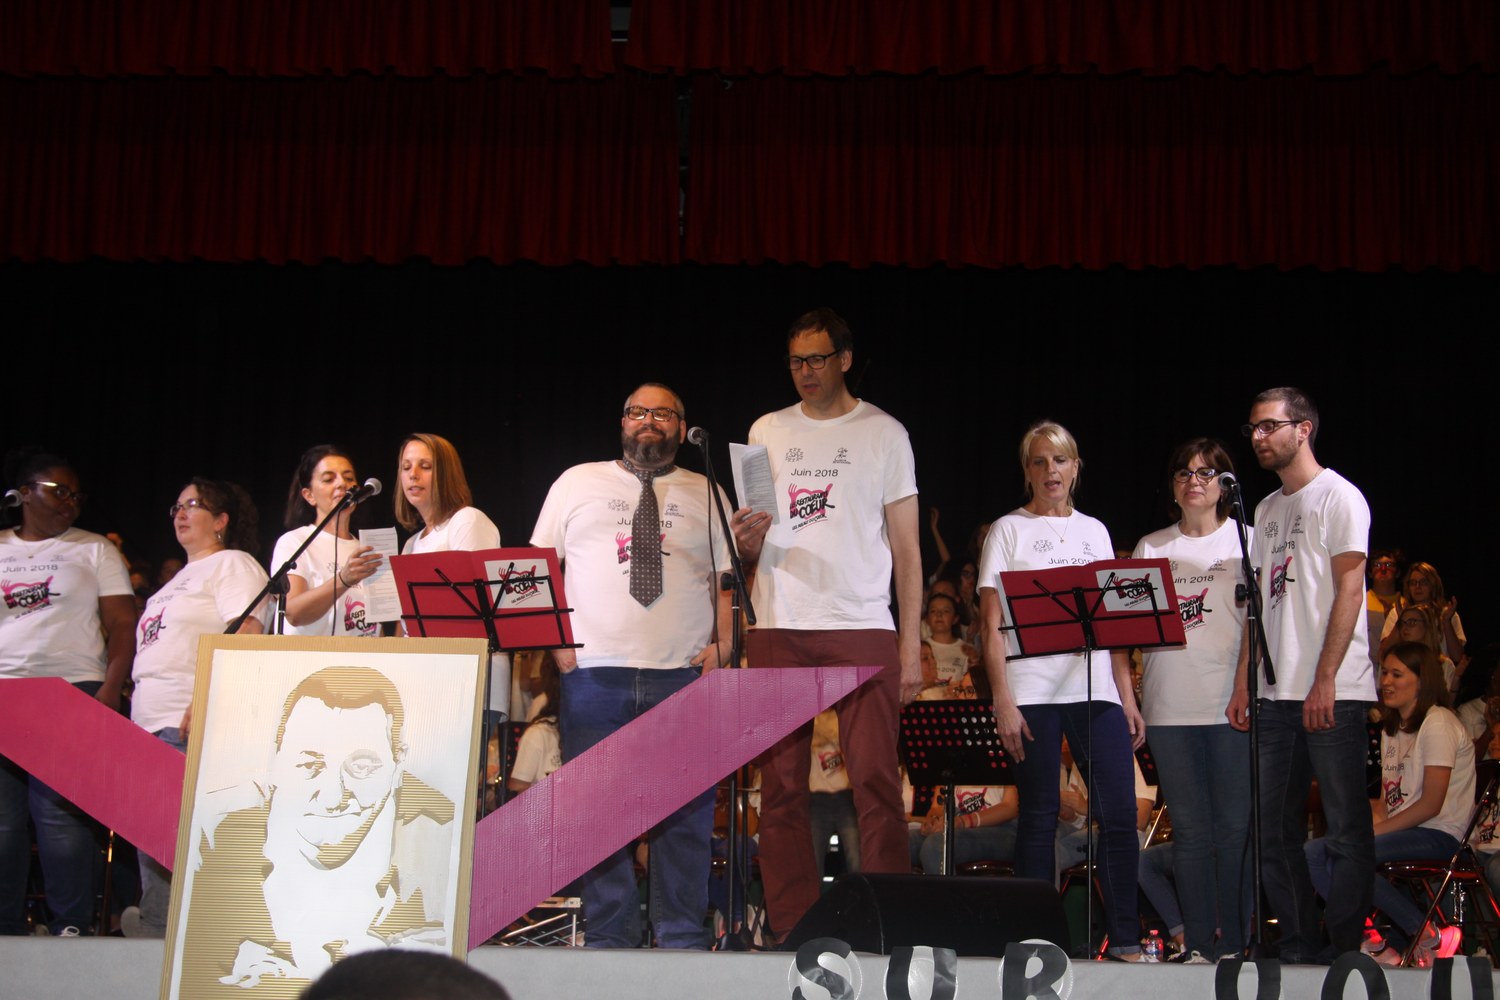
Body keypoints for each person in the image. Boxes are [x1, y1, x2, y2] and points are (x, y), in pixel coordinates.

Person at [730, 308, 922, 940]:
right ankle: (793, 928)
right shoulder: (766, 429)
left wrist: (911, 645)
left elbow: (908, 550)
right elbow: (752, 540)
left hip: (861, 622)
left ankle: (886, 922)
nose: (805, 372)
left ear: (844, 359)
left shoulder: (885, 433)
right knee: (782, 788)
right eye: (795, 361)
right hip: (778, 622)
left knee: (876, 782)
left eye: (816, 359)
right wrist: (745, 541)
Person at [530, 383, 733, 949]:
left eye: (663, 413)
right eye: (638, 411)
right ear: (622, 422)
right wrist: (555, 642)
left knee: (686, 817)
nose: (649, 420)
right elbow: (538, 567)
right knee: (596, 819)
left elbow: (726, 580)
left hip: (683, 675)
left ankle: (681, 937)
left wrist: (725, 645)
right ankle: (609, 938)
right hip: (594, 674)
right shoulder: (576, 482)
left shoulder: (707, 489)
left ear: (681, 428)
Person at [977, 420, 1146, 959]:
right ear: (1027, 471)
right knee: (1039, 814)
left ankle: (1125, 938)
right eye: (1039, 461)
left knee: (1118, 814)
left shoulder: (1096, 531)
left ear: (1076, 467)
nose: (1051, 470)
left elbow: (1113, 622)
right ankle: (1035, 942)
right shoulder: (1008, 530)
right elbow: (990, 624)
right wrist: (1002, 699)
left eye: (1060, 460)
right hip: (1030, 690)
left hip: (1096, 689)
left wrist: (1126, 696)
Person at [184, 666, 455, 992]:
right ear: (275, 762)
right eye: (308, 765)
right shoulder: (213, 838)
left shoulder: (440, 848)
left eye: (363, 767)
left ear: (399, 765)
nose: (333, 798)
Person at [1228, 386, 1374, 964]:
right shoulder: (1265, 510)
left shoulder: (1339, 496)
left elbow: (1350, 589)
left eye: (1269, 426)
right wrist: (1244, 681)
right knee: (1273, 831)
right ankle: (1297, 945)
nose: (1258, 437)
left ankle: (1344, 949)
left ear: (1303, 429)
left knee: (1344, 829)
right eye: (1254, 428)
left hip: (1333, 691)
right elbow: (1258, 606)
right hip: (1275, 694)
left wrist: (1326, 678)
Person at [127, 478, 270, 938]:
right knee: (154, 838)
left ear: (221, 520)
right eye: (177, 506)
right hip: (147, 724)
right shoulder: (175, 582)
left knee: (185, 840)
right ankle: (156, 936)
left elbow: (247, 634)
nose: (181, 513)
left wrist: (208, 693)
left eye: (193, 504)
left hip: (189, 722)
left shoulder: (232, 564)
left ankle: (184, 940)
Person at [0, 451, 135, 936]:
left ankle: (70, 927)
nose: (70, 503)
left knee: (57, 813)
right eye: (59, 492)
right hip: (5, 689)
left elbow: (123, 624)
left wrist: (110, 688)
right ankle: (6, 930)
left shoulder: (93, 548)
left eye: (77, 496)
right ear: (24, 493)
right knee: (3, 820)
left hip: (70, 686)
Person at [1131, 438, 1252, 960]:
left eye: (1206, 472)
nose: (1193, 481)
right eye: (1183, 472)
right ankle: (1199, 943)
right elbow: (1124, 633)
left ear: (1225, 484)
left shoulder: (1246, 541)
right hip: (1169, 708)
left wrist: (1244, 685)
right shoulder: (1151, 547)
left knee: (1235, 830)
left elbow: (1256, 627)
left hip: (1230, 705)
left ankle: (1238, 944)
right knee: (1191, 831)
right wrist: (1129, 700)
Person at [1306, 642, 1470, 966]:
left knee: (1353, 853)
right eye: (1384, 673)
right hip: (1405, 831)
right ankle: (1371, 940)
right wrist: (1354, 830)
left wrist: (1368, 836)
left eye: (1397, 674)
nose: (1386, 682)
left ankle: (1428, 934)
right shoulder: (1391, 729)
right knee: (1313, 852)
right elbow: (1386, 803)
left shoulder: (1438, 722)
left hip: (1441, 834)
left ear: (1421, 681)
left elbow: (1431, 804)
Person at [271, 445, 385, 637]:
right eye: (329, 479)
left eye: (349, 478)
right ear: (309, 495)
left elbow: (375, 627)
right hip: (311, 655)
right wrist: (343, 580)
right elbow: (293, 613)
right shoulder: (295, 542)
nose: (342, 484)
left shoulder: (366, 549)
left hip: (363, 655)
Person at [394, 434, 500, 557]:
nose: (412, 474)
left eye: (425, 466)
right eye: (406, 467)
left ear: (446, 475)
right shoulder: (410, 545)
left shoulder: (466, 520)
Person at [1380, 562, 1466, 664]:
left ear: (1433, 585)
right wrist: (1401, 620)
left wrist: (1446, 622)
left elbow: (1457, 657)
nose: (1418, 587)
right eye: (1413, 583)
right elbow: (1383, 653)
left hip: (1439, 672)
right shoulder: (1396, 613)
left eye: (1423, 582)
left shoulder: (1448, 614)